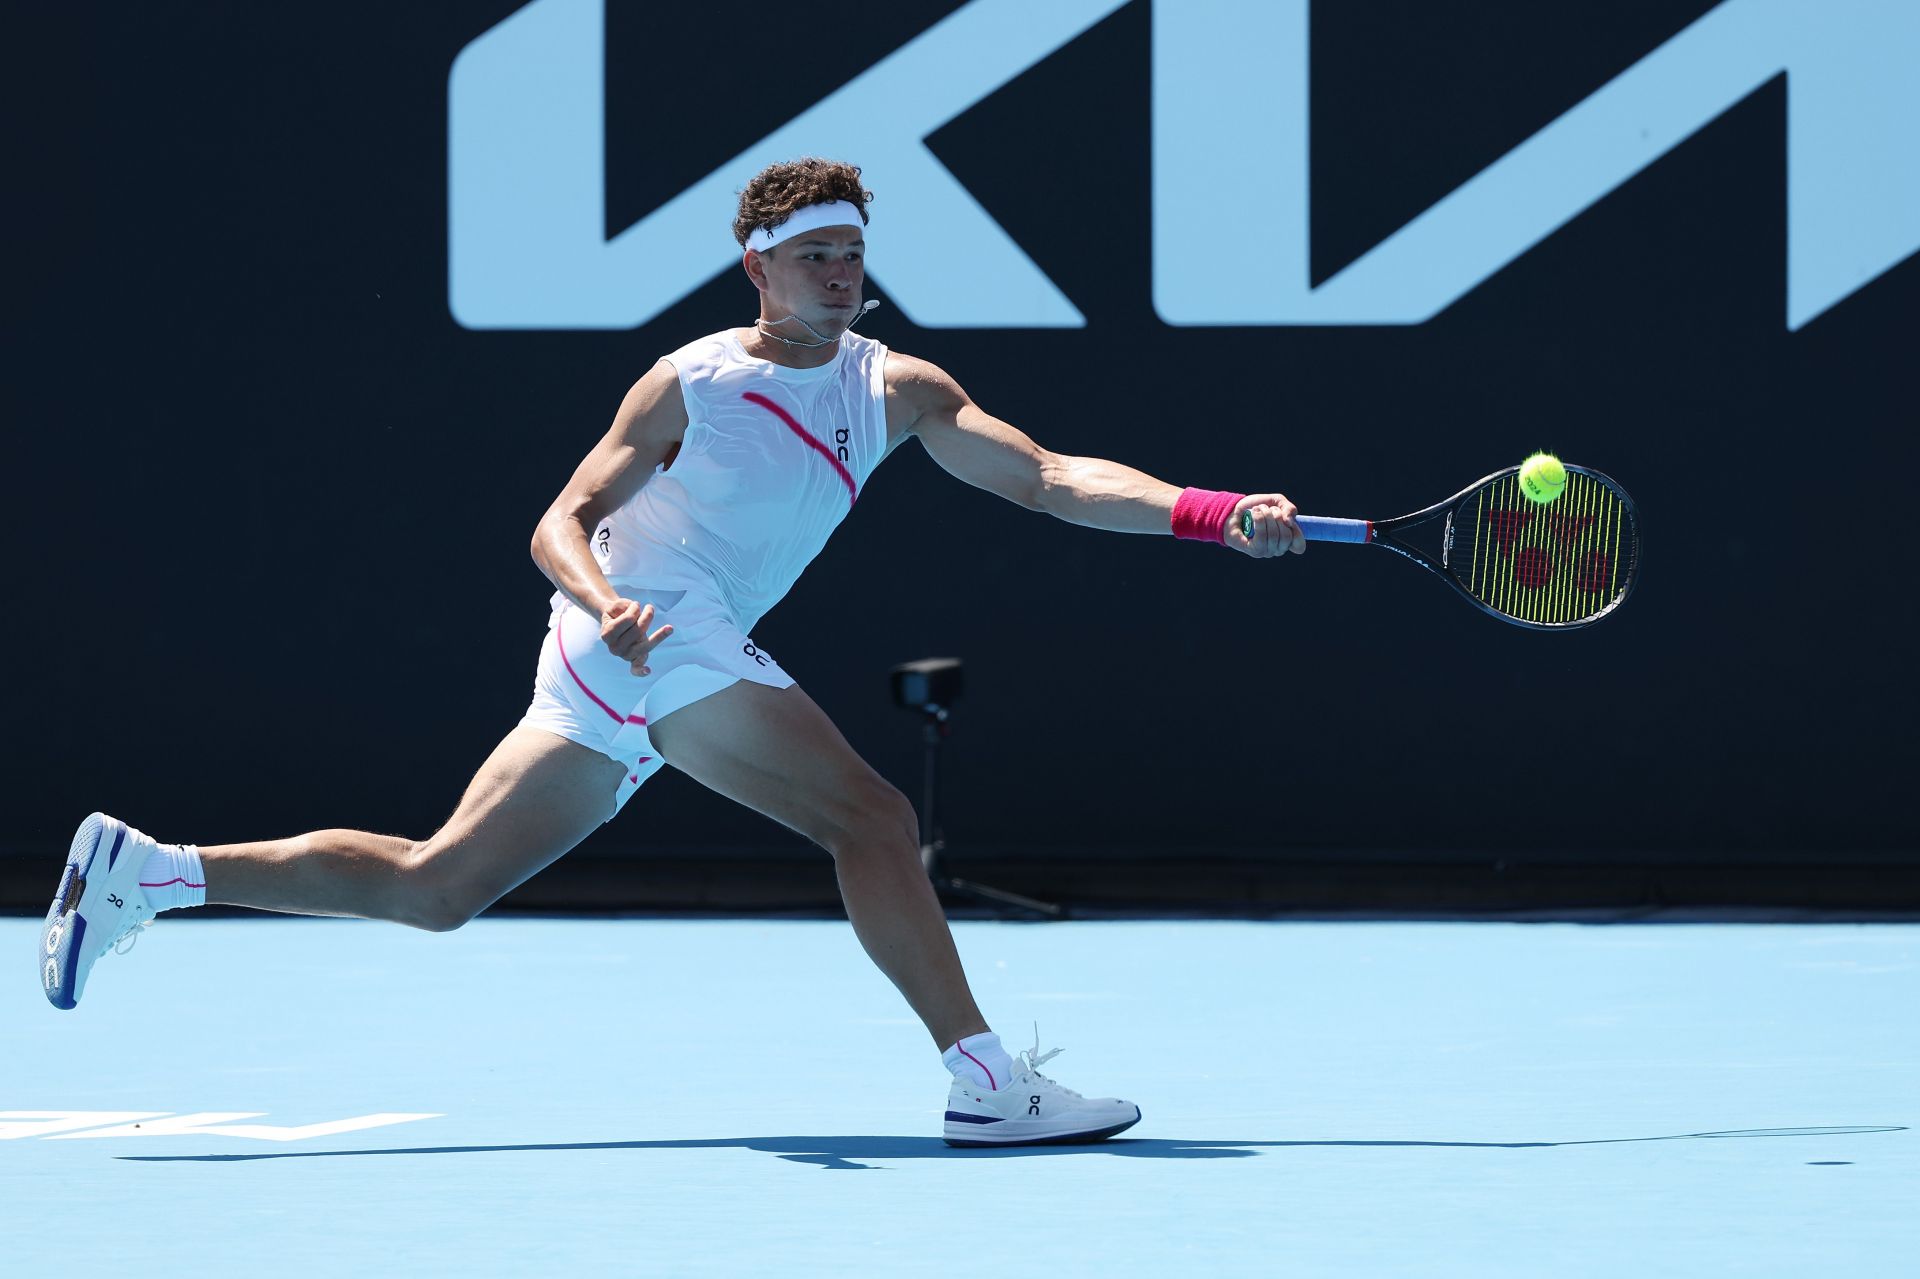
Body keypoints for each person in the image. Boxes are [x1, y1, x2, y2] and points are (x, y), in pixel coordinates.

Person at [40, 157, 1303, 1146]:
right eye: (814, 257)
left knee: (440, 886)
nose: (840, 277)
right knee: (867, 817)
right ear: (758, 268)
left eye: (853, 256)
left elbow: (1048, 477)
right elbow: (558, 521)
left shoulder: (896, 388)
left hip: (636, 655)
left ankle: (150, 874)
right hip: (645, 622)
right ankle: (985, 1077)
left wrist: (1207, 511)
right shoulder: (688, 384)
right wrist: (611, 603)